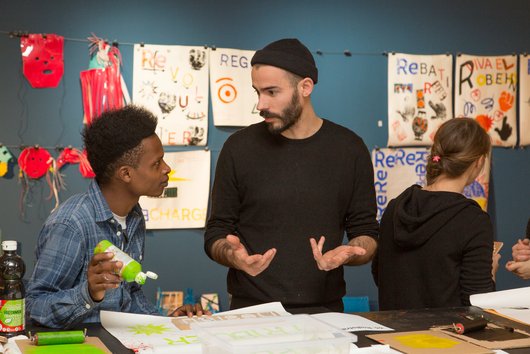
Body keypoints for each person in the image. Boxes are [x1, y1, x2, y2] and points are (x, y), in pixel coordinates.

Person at [204, 38, 379, 314]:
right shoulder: (238, 148)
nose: (261, 104)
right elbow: (216, 232)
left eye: (272, 92)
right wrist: (234, 256)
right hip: (250, 312)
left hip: (325, 312)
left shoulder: (350, 149)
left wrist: (350, 253)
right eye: (257, 92)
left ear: (305, 87)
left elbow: (366, 233)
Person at [26, 105, 205, 328]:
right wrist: (89, 293)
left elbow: (128, 295)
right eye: (156, 163)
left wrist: (167, 322)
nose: (167, 169)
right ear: (126, 174)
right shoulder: (71, 223)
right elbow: (34, 306)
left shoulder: (134, 216)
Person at [372, 117, 497, 310]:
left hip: (391, 335)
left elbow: (380, 275)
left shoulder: (395, 208)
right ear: (479, 162)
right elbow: (476, 304)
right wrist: (491, 272)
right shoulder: (473, 221)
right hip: (447, 338)